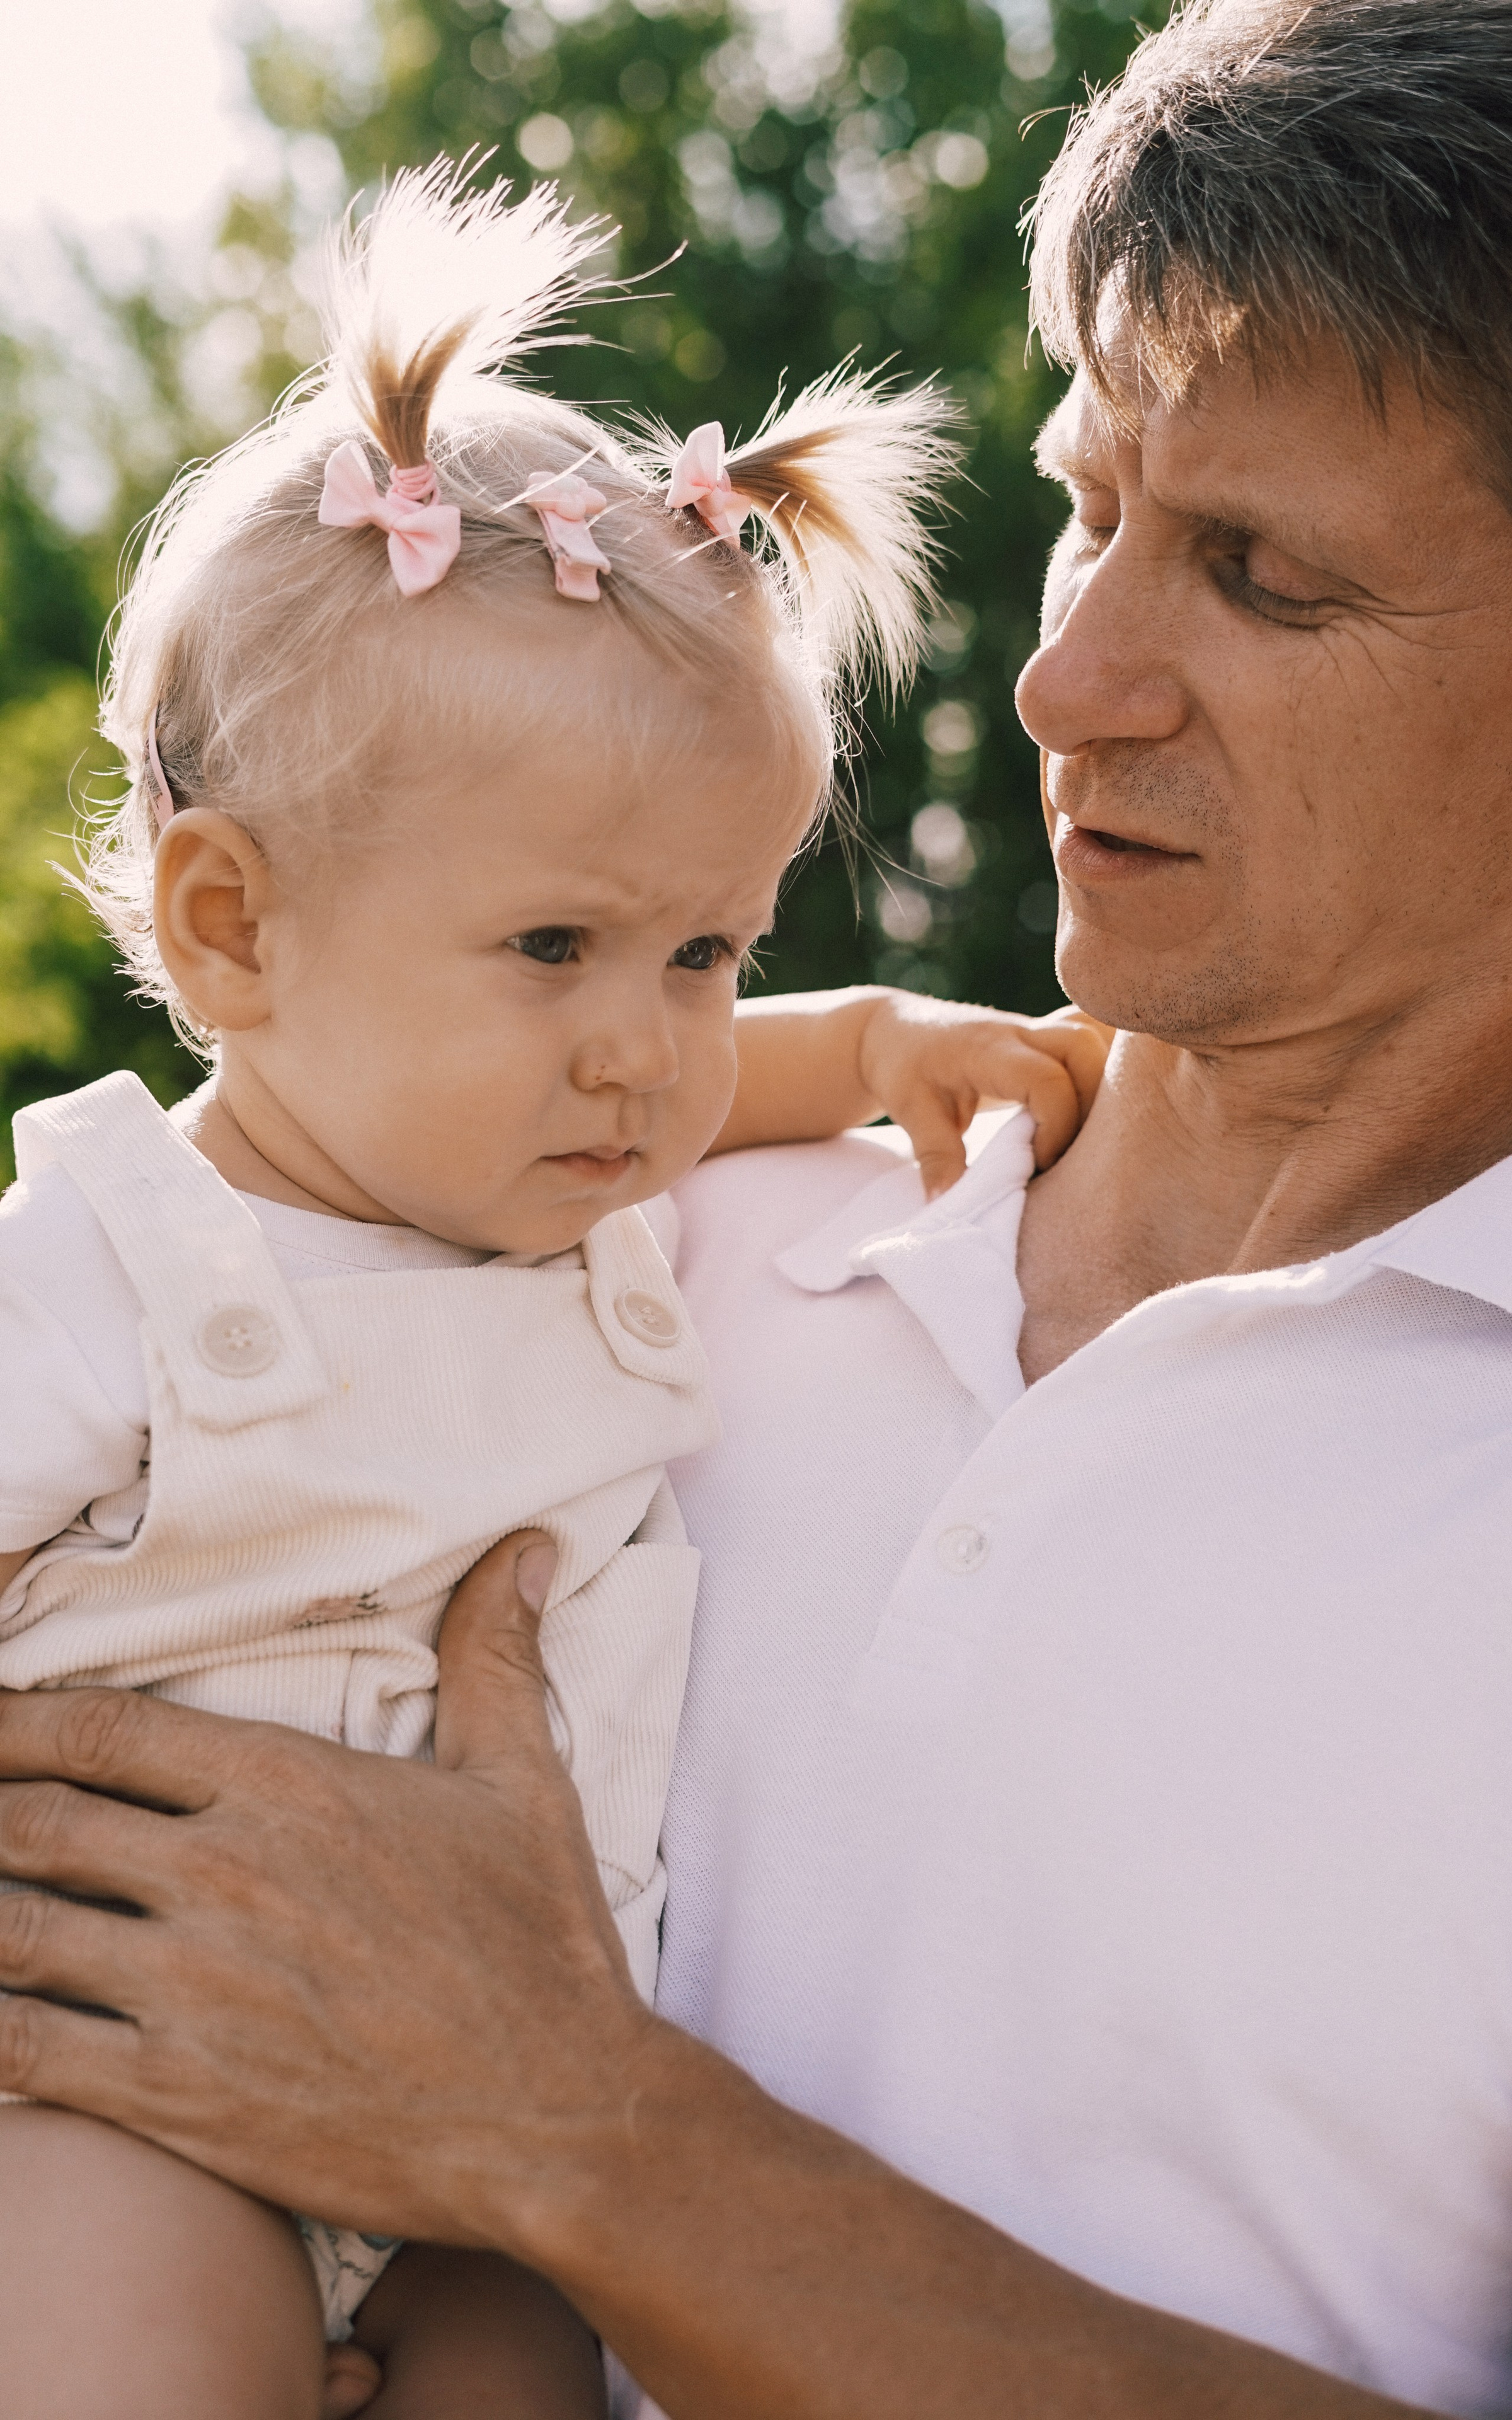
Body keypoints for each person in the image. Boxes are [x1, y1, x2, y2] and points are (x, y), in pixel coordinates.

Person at [10, 0, 1512, 2412]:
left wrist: (581, 2137)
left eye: (1263, 575)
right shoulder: (584, 1218)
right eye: (1088, 506)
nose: (1067, 681)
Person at [0, 159, 1108, 2419]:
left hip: (501, 2161)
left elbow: (724, 1082)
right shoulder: (118, 1268)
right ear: (232, 929)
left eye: (707, 949)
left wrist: (872, 1048)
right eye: (553, 947)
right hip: (122, 2087)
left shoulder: (590, 1198)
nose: (648, 1049)